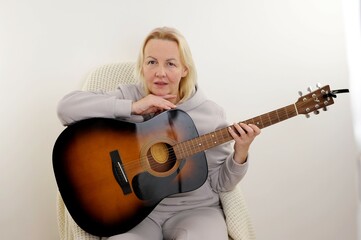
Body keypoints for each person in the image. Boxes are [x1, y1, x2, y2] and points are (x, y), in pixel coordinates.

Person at [57, 27, 261, 240]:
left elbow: (221, 184)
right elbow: (66, 109)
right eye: (151, 62)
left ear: (185, 69)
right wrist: (133, 107)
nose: (160, 72)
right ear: (142, 66)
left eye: (170, 64)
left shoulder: (211, 114)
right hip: (137, 214)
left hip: (196, 211)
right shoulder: (130, 96)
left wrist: (241, 153)